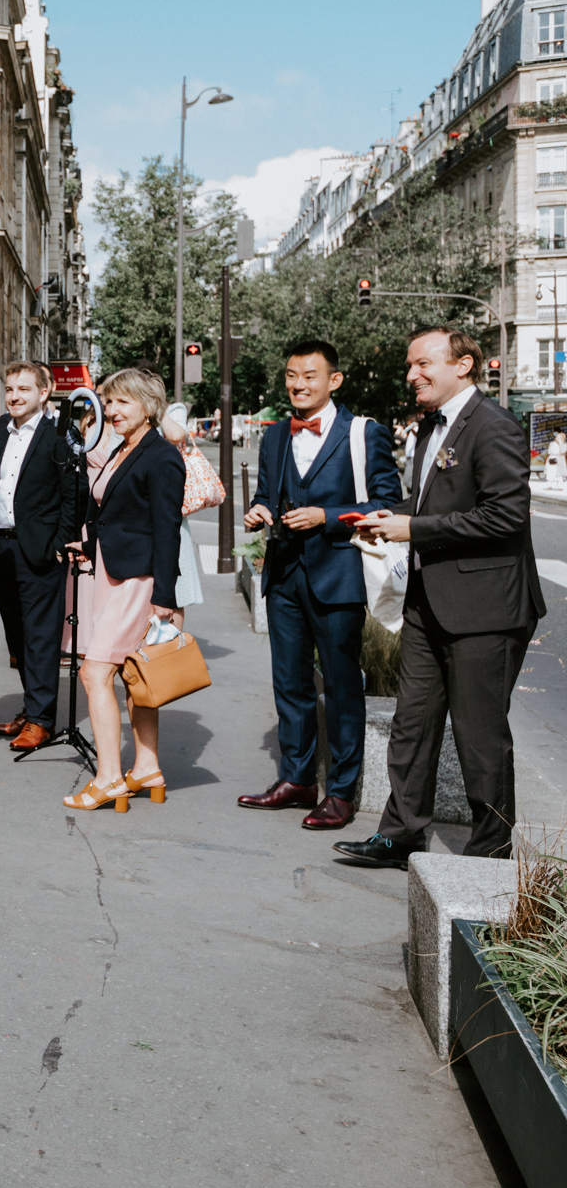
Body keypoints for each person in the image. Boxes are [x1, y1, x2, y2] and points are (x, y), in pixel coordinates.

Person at [337, 326, 547, 866]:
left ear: (465, 365)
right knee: (412, 725)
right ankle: (399, 835)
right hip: (430, 603)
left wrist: (415, 529)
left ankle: (488, 852)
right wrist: (393, 520)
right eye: (410, 366)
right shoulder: (431, 429)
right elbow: (432, 503)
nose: (412, 376)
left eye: (423, 365)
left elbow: (505, 516)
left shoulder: (494, 426)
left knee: (480, 738)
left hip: (485, 611)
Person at [238, 339, 402, 832]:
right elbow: (268, 494)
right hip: (285, 574)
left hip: (338, 576)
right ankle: (297, 779)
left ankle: (343, 792)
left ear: (334, 381)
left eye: (310, 376)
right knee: (289, 685)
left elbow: (386, 503)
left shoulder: (363, 434)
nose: (298, 384)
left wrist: (327, 516)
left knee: (342, 686)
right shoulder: (273, 437)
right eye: (291, 375)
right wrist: (259, 511)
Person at [61, 367, 186, 813]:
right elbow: (112, 512)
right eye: (108, 401)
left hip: (139, 580)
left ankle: (110, 777)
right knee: (136, 674)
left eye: (122, 402)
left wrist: (165, 600)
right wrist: (87, 544)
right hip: (110, 574)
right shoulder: (122, 449)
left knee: (96, 673)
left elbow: (167, 530)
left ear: (148, 406)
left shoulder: (161, 456)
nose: (111, 410)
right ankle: (147, 766)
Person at [0, 361, 83, 752]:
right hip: (2, 548)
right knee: (18, 637)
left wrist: (61, 543)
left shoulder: (62, 435)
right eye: (10, 389)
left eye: (24, 389)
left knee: (41, 637)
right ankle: (31, 706)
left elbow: (75, 495)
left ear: (45, 392)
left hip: (40, 552)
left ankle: (41, 720)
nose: (14, 396)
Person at [162, 401, 220, 629]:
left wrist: (155, 407)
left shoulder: (172, 409)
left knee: (176, 592)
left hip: (172, 508)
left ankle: (172, 653)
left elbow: (176, 435)